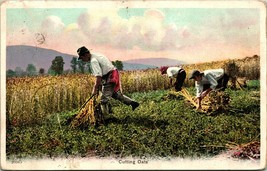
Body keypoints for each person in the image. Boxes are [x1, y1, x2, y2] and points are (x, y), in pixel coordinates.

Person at [77, 46, 139, 116]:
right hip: (112, 74)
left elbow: (98, 76)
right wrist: (99, 86)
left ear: (85, 55)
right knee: (115, 95)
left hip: (110, 77)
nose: (82, 60)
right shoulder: (97, 55)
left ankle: (106, 117)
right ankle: (133, 103)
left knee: (103, 100)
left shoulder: (93, 61)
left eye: (82, 58)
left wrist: (95, 88)